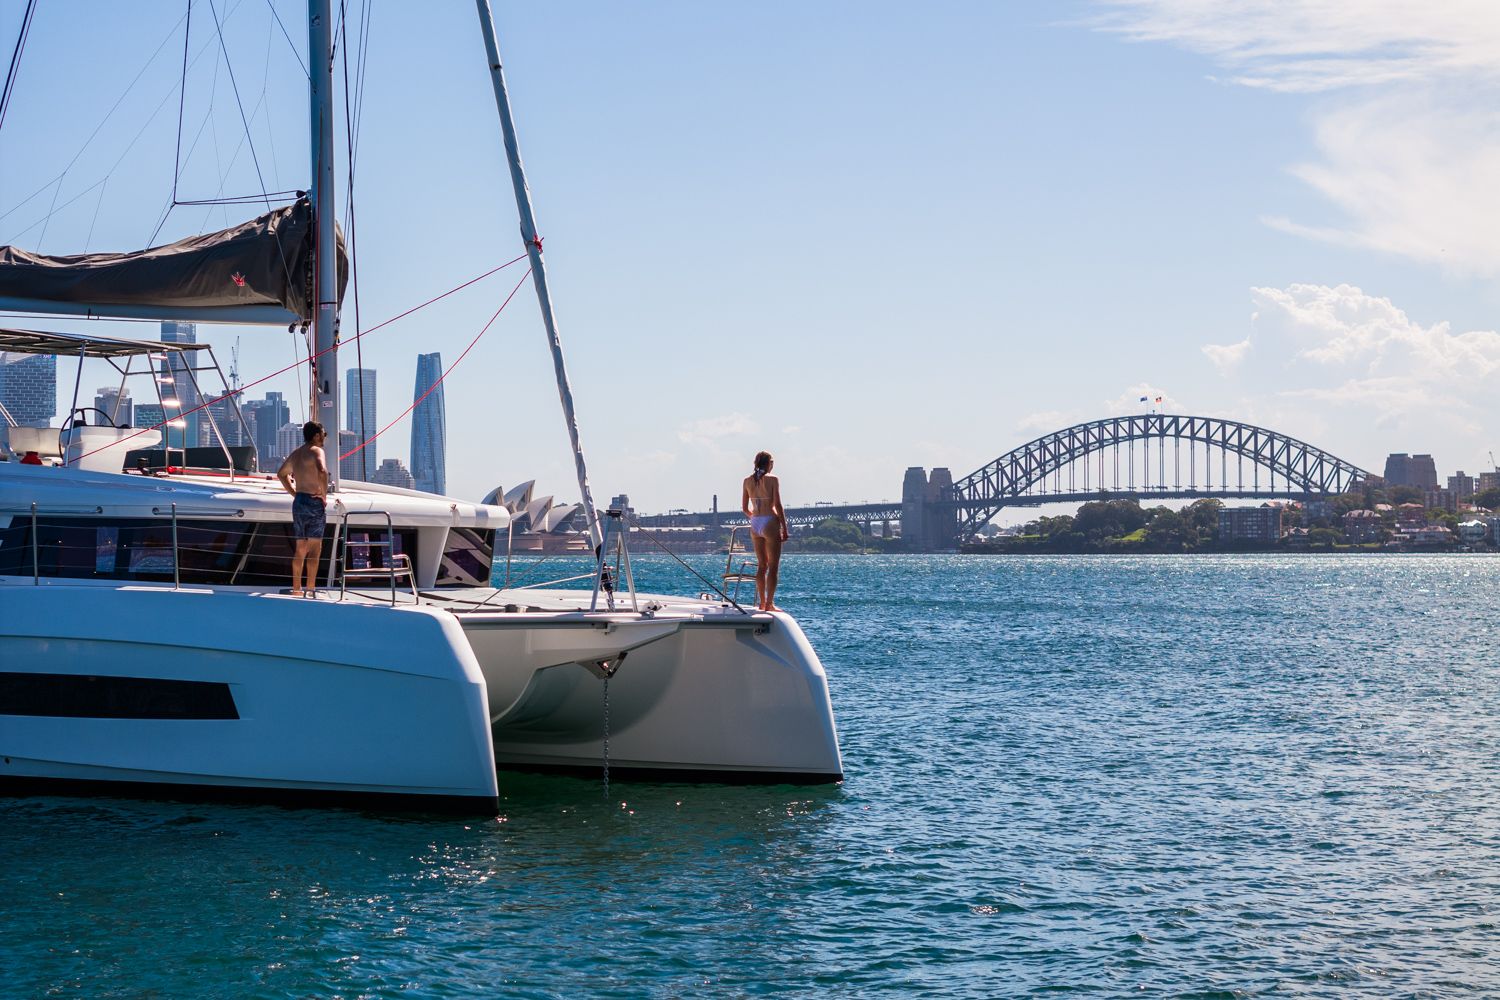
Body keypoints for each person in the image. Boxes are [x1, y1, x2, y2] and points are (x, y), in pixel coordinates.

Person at [277, 421, 329, 597]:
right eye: (324, 434)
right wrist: (323, 494)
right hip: (314, 502)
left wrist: (294, 492)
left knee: (300, 548)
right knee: (315, 549)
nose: (324, 437)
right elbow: (322, 471)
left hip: (299, 501)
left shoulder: (296, 454)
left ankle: (297, 589)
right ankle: (311, 589)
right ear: (316, 435)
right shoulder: (317, 451)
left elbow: (281, 474)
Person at [741, 450, 788, 612]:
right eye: (772, 462)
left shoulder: (747, 481)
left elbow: (744, 508)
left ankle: (761, 602)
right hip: (769, 521)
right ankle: (769, 603)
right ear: (768, 464)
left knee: (762, 566)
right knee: (773, 566)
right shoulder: (773, 479)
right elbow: (778, 505)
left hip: (755, 523)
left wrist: (755, 517)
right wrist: (784, 528)